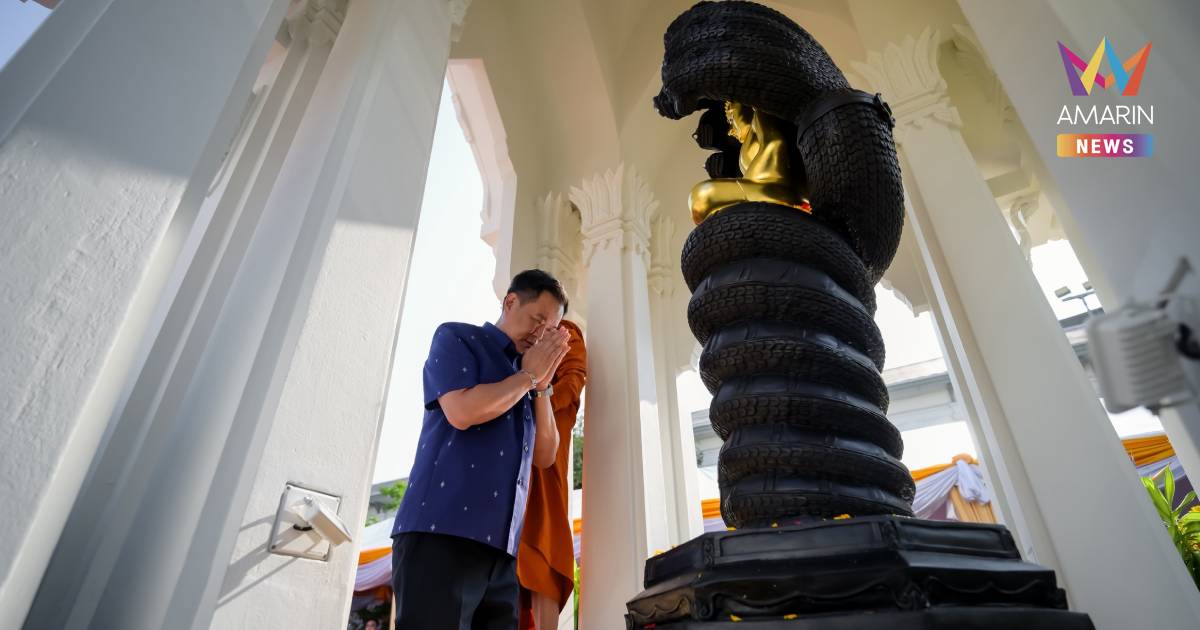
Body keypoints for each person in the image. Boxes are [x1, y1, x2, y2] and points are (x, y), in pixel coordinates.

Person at [391, 269, 571, 630]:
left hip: (502, 551)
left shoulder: (529, 376)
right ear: (510, 301)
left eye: (548, 330)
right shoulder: (458, 337)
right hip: (441, 533)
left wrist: (543, 385)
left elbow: (544, 455)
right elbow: (462, 412)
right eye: (537, 319)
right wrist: (527, 377)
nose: (539, 334)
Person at [517, 320, 587, 629]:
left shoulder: (566, 331)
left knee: (542, 539)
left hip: (545, 433)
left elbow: (572, 383)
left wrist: (536, 396)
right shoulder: (514, 335)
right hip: (508, 433)